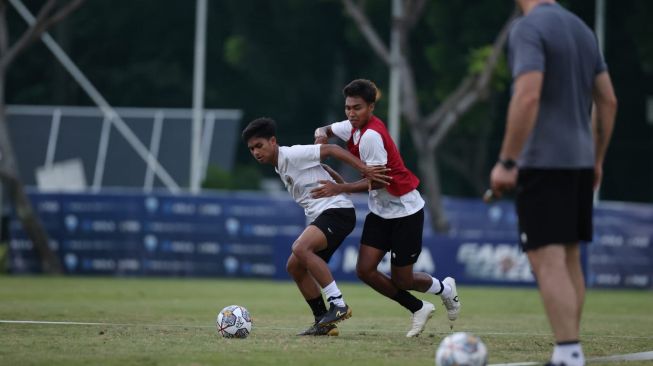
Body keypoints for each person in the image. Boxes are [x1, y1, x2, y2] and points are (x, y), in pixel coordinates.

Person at [490, 1, 617, 365]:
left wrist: (507, 161)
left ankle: (568, 351)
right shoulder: (581, 29)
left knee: (547, 259)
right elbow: (608, 100)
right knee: (569, 257)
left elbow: (528, 94)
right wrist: (596, 158)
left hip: (544, 162)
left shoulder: (528, 28)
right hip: (579, 162)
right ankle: (570, 348)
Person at [313, 79, 460, 337]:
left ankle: (445, 289)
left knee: (403, 279)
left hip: (406, 212)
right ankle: (418, 308)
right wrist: (321, 134)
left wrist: (340, 188)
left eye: (357, 108)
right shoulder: (351, 127)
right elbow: (325, 128)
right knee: (365, 270)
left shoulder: (371, 136)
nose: (351, 113)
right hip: (381, 212)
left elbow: (376, 181)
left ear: (371, 107)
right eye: (347, 107)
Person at [242, 117, 390, 336]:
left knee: (300, 248)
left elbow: (330, 149)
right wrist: (340, 184)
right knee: (295, 267)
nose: (256, 152)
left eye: (259, 146)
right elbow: (323, 166)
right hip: (330, 214)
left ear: (273, 141)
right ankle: (323, 321)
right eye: (251, 149)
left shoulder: (291, 154)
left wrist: (364, 169)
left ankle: (338, 304)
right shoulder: (280, 166)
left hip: (336, 213)